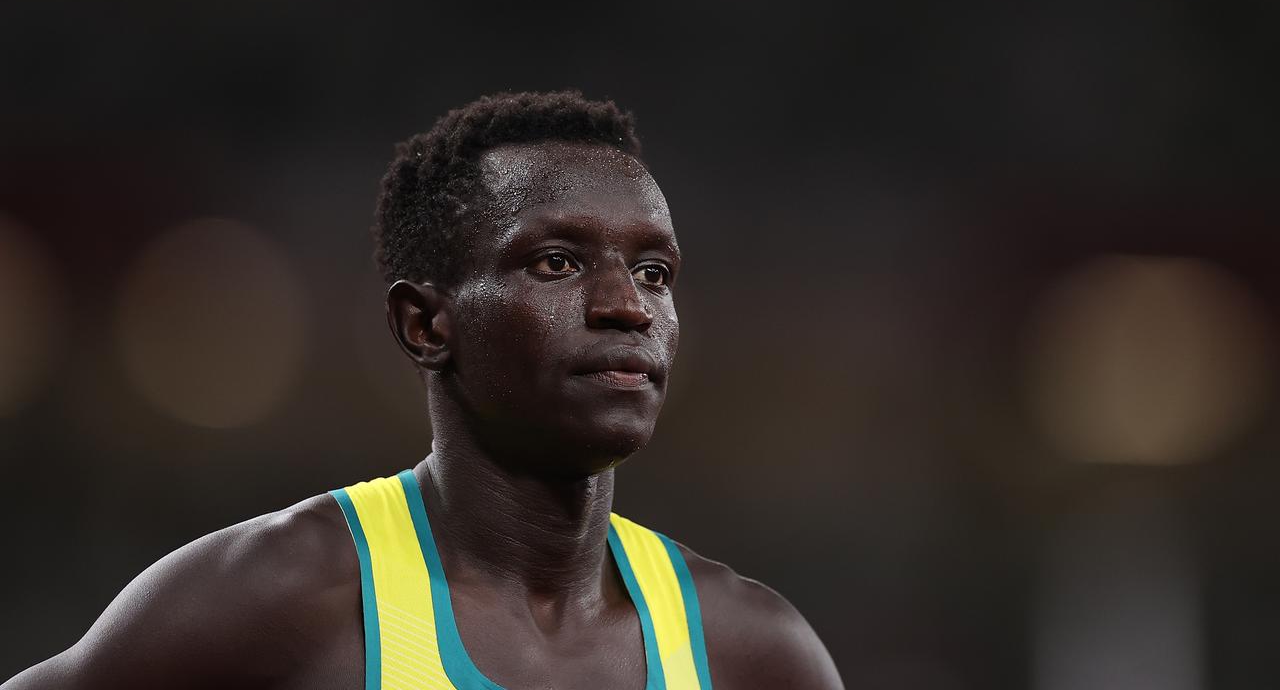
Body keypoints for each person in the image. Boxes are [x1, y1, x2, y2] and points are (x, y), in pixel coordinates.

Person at [4, 90, 844, 689]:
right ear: (425, 326)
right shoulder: (281, 597)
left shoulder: (752, 653)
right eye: (557, 263)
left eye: (654, 272)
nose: (626, 306)